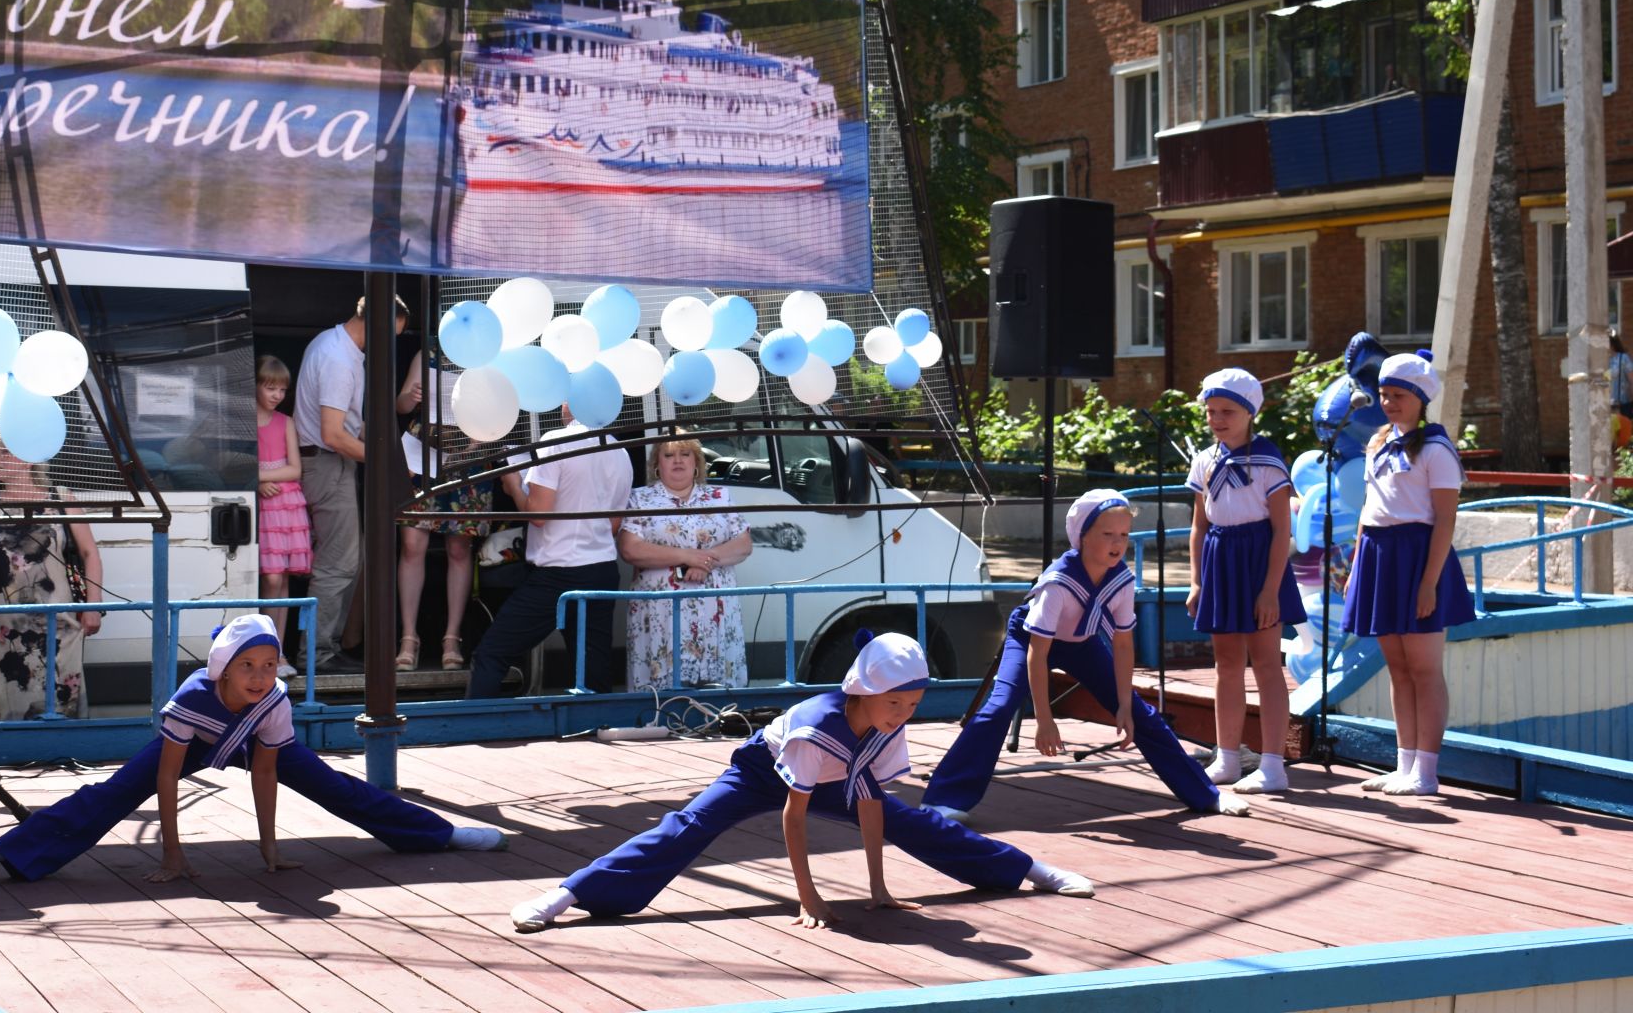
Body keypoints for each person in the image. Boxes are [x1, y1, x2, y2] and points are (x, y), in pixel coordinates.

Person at [508, 632, 1092, 933]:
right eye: (896, 700)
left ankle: (1026, 869)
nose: (905, 712)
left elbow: (872, 809)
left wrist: (878, 889)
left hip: (843, 774)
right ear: (864, 690)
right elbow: (794, 815)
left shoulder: (889, 725)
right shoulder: (818, 729)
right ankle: (570, 893)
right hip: (765, 770)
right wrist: (809, 899)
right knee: (686, 825)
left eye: (914, 702)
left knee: (914, 819)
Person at [0, 615, 507, 889]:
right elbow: (166, 780)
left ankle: (440, 833)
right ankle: (0, 852)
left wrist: (269, 850)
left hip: (253, 741)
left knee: (340, 787)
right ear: (223, 668)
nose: (260, 676)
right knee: (110, 795)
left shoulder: (274, 699)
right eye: (247, 666)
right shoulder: (192, 698)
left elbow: (265, 774)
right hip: (193, 744)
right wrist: (171, 854)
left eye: (269, 665)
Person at [922, 489, 1248, 821]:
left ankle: (1205, 795)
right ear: (1082, 536)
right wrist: (1045, 721)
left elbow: (1122, 644)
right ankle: (943, 799)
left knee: (1141, 714)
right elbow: (1038, 653)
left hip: (1081, 640)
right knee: (1000, 706)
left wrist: (1123, 703)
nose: (1118, 543)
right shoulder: (1059, 583)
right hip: (1031, 639)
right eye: (1107, 534)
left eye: (1123, 534)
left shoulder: (1121, 580)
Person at [1342, 352, 1473, 798]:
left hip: (1417, 558)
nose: (1389, 403)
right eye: (1384, 395)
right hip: (1379, 556)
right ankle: (1404, 764)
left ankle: (1427, 771)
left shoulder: (1436, 450)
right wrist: (1358, 560)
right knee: (1397, 667)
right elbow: (1369, 507)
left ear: (1420, 398)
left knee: (1424, 668)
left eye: (1398, 395)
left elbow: (1444, 522)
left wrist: (1428, 582)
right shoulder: (1379, 442)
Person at [1186, 369, 1304, 795]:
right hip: (1220, 559)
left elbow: (1280, 531)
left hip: (1258, 560)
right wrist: (1197, 580)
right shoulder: (1205, 459)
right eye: (1211, 411)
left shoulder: (1269, 461)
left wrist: (1270, 589)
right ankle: (1228, 757)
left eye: (1228, 411)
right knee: (1227, 664)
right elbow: (1199, 526)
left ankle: (1273, 763)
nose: (1217, 419)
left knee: (1268, 664)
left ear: (1250, 412)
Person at [465, 410, 633, 698]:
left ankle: (472, 729)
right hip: (601, 567)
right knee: (593, 669)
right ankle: (599, 729)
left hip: (558, 572)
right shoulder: (619, 450)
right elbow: (613, 525)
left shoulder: (555, 441)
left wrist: (514, 486)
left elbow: (539, 515)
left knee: (492, 653)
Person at [0, 431, 103, 721]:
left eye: (4, 453)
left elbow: (90, 554)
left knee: (60, 708)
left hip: (60, 630)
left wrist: (93, 605)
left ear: (27, 459)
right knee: (0, 707)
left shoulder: (61, 498)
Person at [292, 294, 408, 673]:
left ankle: (325, 650)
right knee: (337, 565)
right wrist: (390, 463)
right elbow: (334, 435)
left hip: (332, 464)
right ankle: (318, 657)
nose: (390, 344)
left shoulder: (335, 344)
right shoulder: (339, 359)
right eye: (390, 335)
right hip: (328, 464)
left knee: (345, 562)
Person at [616, 433, 752, 690]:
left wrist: (705, 563)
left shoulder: (719, 496)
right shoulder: (640, 499)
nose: (677, 461)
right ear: (657, 463)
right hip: (661, 614)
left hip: (716, 613)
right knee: (662, 693)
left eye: (685, 454)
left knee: (718, 695)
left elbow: (744, 544)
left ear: (696, 462)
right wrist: (689, 557)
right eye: (669, 455)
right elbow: (630, 549)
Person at [394, 351, 492, 672]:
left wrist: (472, 447)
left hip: (468, 456)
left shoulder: (490, 354)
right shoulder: (428, 351)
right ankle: (409, 637)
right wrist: (411, 396)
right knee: (411, 545)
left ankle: (452, 637)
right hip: (421, 453)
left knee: (459, 547)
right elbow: (401, 405)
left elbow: (501, 411)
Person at [254, 355, 309, 673]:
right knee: (271, 578)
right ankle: (264, 653)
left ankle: (279, 654)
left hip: (285, 504)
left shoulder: (286, 422)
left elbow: (295, 468)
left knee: (283, 579)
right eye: (270, 387)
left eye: (281, 389)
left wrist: (261, 476)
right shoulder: (246, 421)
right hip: (265, 506)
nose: (276, 395)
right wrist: (258, 480)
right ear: (256, 386)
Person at [1610, 332, 1633, 420]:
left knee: (1623, 432)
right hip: (1605, 406)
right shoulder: (1601, 360)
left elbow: (1632, 380)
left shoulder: (1623, 358)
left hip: (1622, 405)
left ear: (1611, 343)